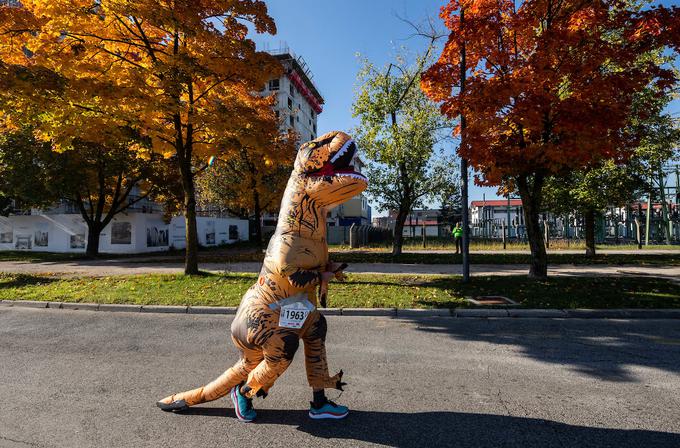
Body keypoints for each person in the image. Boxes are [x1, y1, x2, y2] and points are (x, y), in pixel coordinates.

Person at [156, 131, 367, 422]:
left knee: (317, 328)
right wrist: (321, 275)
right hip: (261, 315)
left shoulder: (316, 231)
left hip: (292, 312)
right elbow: (291, 274)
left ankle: (319, 402)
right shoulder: (288, 237)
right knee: (283, 350)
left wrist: (327, 271)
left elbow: (316, 268)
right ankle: (244, 392)